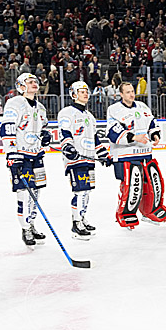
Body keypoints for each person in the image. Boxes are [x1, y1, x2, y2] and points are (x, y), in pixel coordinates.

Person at [106, 81, 166, 228]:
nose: (131, 94)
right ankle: (125, 214)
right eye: (127, 92)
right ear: (121, 94)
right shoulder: (114, 109)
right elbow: (112, 131)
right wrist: (134, 138)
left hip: (144, 153)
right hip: (125, 154)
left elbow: (151, 122)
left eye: (132, 91)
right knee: (132, 186)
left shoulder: (142, 106)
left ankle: (149, 211)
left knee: (152, 184)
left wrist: (154, 134)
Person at [2, 72, 52, 246]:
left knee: (36, 192)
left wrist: (46, 135)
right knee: (24, 193)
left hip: (36, 155)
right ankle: (25, 229)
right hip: (20, 155)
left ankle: (31, 223)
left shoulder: (40, 107)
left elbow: (43, 127)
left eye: (35, 81)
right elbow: (7, 128)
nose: (34, 84)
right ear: (21, 86)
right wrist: (11, 154)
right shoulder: (14, 103)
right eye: (30, 82)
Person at [57, 80, 109, 239]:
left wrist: (103, 154)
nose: (86, 93)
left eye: (86, 91)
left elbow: (94, 138)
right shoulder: (66, 112)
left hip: (89, 158)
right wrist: (68, 148)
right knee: (79, 190)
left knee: (87, 190)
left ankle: (82, 217)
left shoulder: (89, 116)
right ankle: (76, 223)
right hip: (75, 159)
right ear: (73, 94)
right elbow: (64, 132)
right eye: (81, 91)